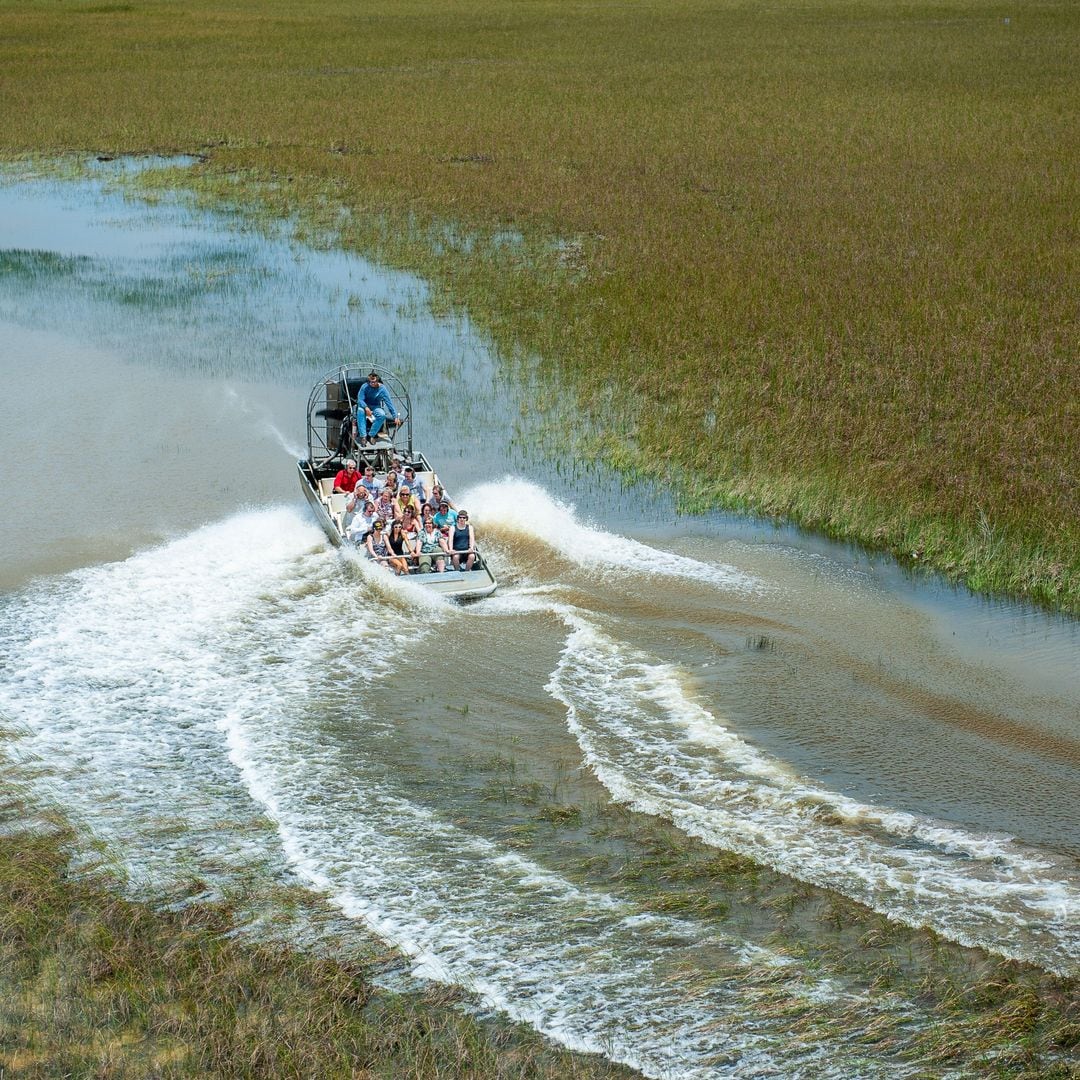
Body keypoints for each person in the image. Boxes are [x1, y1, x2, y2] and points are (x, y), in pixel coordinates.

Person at [357, 371, 402, 445]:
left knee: (382, 415)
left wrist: (395, 417)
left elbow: (389, 403)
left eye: (374, 382)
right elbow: (360, 399)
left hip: (375, 406)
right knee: (360, 411)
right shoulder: (364, 386)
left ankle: (371, 435)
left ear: (377, 381)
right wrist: (366, 408)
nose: (372, 384)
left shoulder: (382, 389)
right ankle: (363, 436)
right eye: (370, 382)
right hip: (364, 406)